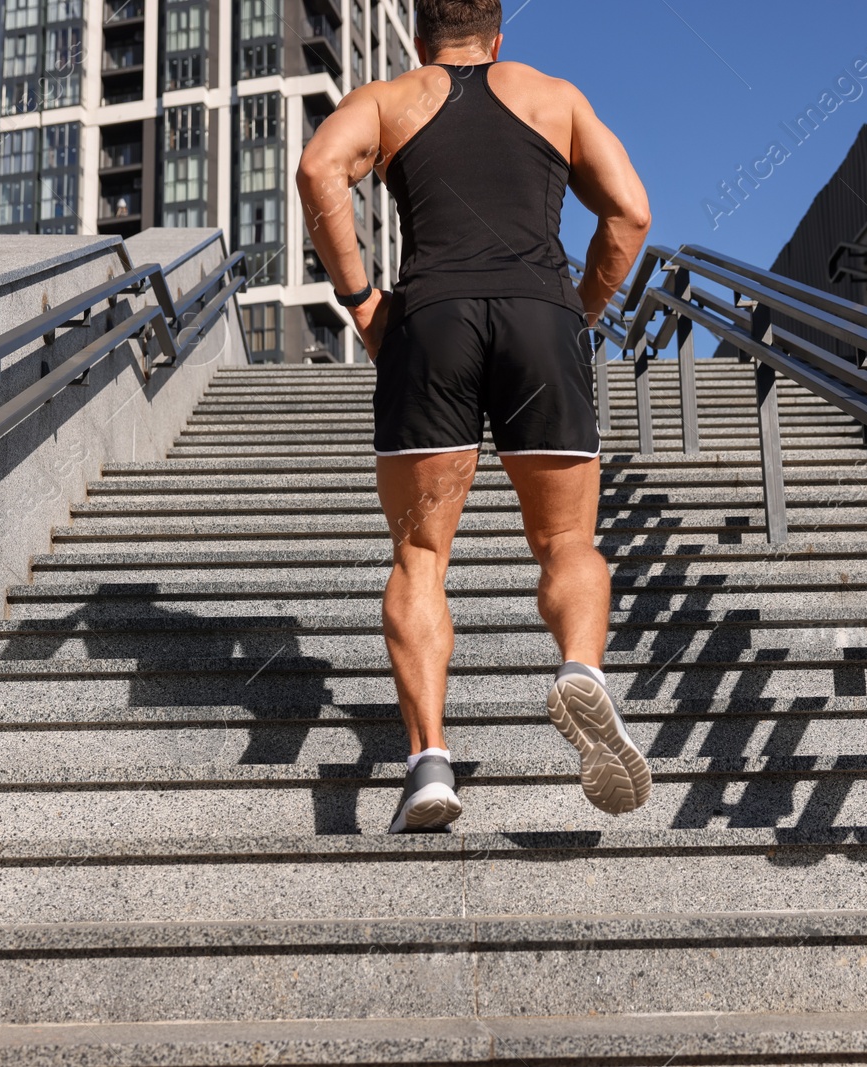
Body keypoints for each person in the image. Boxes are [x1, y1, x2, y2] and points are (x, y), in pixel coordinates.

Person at [296, 0, 652, 833]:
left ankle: (428, 763)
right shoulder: (553, 95)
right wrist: (579, 313)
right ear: (498, 38)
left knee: (421, 555)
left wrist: (361, 302)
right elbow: (630, 212)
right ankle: (583, 670)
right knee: (567, 543)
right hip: (540, 315)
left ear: (422, 40)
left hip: (432, 321)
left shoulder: (390, 100)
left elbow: (318, 170)